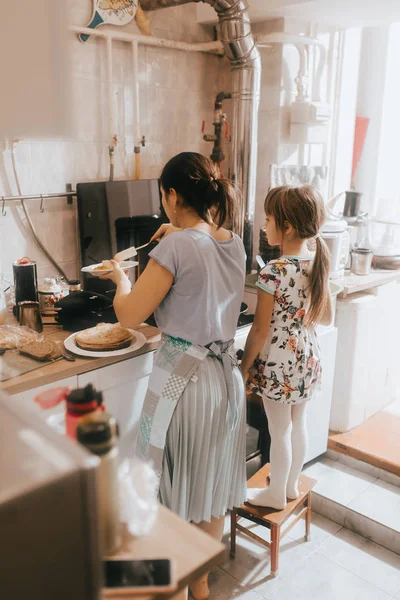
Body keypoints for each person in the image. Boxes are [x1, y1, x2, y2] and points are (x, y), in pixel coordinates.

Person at [102, 152, 247, 600]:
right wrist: (177, 237)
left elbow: (130, 314)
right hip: (225, 382)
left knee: (169, 493)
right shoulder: (233, 242)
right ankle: (200, 588)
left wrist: (120, 278)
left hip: (183, 383)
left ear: (170, 195)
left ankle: (172, 588)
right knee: (209, 486)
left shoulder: (177, 246)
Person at [240, 184, 332, 510]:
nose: (265, 226)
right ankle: (290, 485)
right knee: (299, 424)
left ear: (287, 226)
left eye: (268, 219)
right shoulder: (317, 261)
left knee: (278, 430)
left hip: (280, 361)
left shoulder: (273, 272)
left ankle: (275, 494)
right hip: (308, 355)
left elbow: (260, 330)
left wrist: (244, 366)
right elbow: (326, 316)